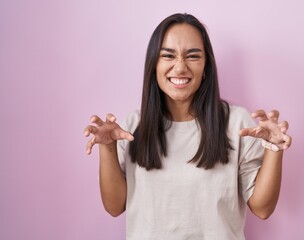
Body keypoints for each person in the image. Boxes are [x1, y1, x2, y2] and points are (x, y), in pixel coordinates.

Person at [84, 13, 292, 240]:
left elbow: (262, 208)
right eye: (168, 56)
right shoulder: (132, 127)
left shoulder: (237, 123)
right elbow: (114, 207)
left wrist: (274, 148)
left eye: (192, 56)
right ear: (154, 64)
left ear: (206, 68)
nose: (180, 67)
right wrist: (107, 147)